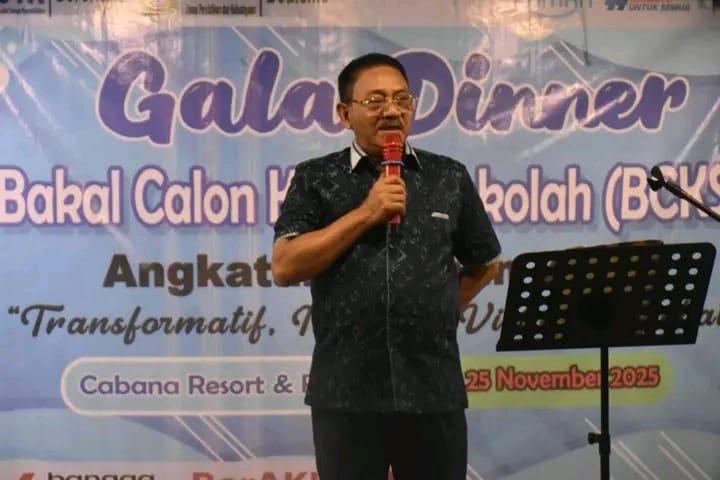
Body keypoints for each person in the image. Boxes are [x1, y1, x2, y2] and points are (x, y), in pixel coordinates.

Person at [271, 52, 501, 480]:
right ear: (345, 113)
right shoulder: (316, 177)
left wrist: (443, 308)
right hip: (347, 393)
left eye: (402, 99)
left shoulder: (447, 176)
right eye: (375, 101)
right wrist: (367, 213)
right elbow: (285, 266)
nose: (392, 110)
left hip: (432, 388)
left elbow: (485, 262)